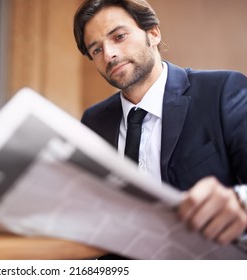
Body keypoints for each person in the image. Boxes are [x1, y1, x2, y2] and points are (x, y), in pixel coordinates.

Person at [73, 0, 247, 253]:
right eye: (96, 49)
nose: (109, 54)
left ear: (153, 33)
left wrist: (239, 201)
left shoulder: (222, 91)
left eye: (119, 36)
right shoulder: (93, 121)